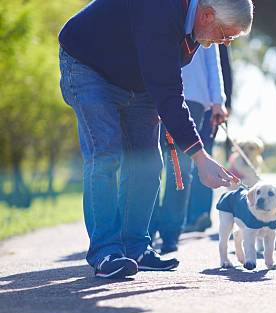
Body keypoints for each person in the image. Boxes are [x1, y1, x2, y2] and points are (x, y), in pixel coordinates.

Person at [58, 0, 253, 278]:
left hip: (136, 80)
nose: (224, 43)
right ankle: (106, 252)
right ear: (208, 15)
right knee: (106, 154)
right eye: (226, 35)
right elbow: (168, 93)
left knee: (149, 163)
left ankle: (135, 247)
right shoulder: (161, 8)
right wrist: (200, 157)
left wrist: (195, 150)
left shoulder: (197, 26)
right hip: (89, 68)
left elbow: (166, 83)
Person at [150, 44, 228, 253]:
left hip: (192, 97)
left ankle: (170, 233)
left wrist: (218, 101)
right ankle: (145, 231)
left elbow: (213, 61)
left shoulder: (207, 14)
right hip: (154, 91)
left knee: (180, 169)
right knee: (150, 164)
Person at [185, 44, 234, 233]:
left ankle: (198, 215)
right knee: (197, 155)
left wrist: (224, 102)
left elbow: (222, 68)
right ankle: (193, 214)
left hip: (206, 104)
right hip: (203, 100)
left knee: (200, 156)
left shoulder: (218, 31)